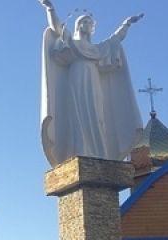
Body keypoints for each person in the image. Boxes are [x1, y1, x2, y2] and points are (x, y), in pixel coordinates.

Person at [38, 0, 144, 166]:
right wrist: (50, 8)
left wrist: (127, 24)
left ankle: (99, 153)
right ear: (79, 25)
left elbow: (115, 39)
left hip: (93, 80)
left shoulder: (97, 49)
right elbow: (56, 28)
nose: (88, 25)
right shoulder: (71, 42)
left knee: (96, 114)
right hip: (77, 77)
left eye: (90, 23)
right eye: (85, 22)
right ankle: (80, 150)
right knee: (78, 114)